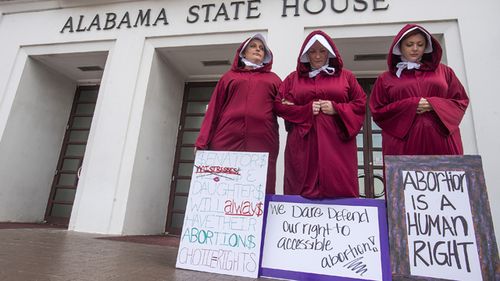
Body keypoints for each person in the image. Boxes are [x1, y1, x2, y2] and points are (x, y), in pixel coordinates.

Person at [275, 30, 366, 199]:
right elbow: (278, 105)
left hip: (337, 142)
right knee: (300, 188)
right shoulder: (292, 79)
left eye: (322, 51)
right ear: (306, 54)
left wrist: (337, 108)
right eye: (312, 51)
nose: (317, 56)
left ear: (329, 53)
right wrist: (304, 110)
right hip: (303, 142)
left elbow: (360, 103)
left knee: (339, 186)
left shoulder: (346, 77)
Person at [195, 34, 281, 194]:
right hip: (226, 138)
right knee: (223, 182)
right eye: (253, 46)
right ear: (243, 52)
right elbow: (214, 109)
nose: (258, 49)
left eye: (261, 48)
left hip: (262, 140)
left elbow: (284, 106)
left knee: (259, 184)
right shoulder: (228, 77)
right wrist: (202, 141)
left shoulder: (274, 79)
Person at [370, 24, 469, 156]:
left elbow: (461, 101)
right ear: (399, 47)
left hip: (442, 140)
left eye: (420, 44)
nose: (415, 49)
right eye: (409, 44)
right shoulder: (385, 78)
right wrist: (411, 105)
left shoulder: (444, 71)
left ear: (426, 47)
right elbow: (377, 111)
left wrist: (433, 104)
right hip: (403, 144)